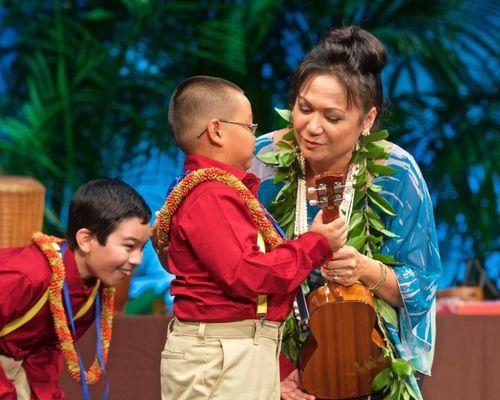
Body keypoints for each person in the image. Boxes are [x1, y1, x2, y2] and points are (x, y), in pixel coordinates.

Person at [251, 26, 442, 400]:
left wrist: (366, 270)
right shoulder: (261, 163)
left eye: (333, 117)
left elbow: (423, 284)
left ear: (367, 120)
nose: (312, 127)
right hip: (274, 366)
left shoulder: (396, 174)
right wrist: (272, 376)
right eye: (303, 108)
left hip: (365, 367)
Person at [154, 75, 348, 400]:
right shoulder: (210, 194)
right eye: (248, 127)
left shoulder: (218, 190)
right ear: (217, 131)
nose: (253, 137)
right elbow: (248, 273)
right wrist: (316, 244)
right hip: (222, 353)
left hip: (234, 350)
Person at [0, 178, 151, 399]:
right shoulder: (27, 275)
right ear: (86, 239)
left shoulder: (92, 291)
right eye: (129, 246)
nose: (137, 259)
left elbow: (44, 349)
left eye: (141, 248)